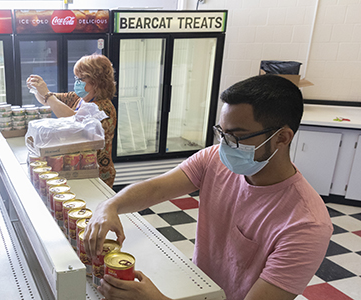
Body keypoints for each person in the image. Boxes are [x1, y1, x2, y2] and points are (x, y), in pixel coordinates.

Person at [84, 75, 333, 300]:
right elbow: (154, 189)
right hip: (201, 290)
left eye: (236, 136)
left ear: (282, 137)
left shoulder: (306, 224)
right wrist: (111, 205)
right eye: (221, 133)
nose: (225, 145)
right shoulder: (213, 159)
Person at [26, 54, 117, 188]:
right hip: (77, 164)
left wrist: (47, 95)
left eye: (82, 78)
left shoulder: (104, 109)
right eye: (77, 78)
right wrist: (38, 88)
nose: (77, 82)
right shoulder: (78, 98)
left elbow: (75, 122)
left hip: (96, 172)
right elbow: (49, 101)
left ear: (97, 81)